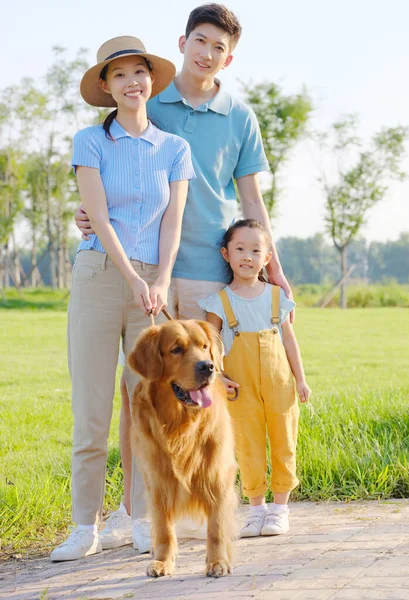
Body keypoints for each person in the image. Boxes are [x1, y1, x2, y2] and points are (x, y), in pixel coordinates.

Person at [75, 4, 293, 548]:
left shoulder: (239, 116)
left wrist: (274, 264)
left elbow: (250, 197)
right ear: (182, 42)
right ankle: (136, 513)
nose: (207, 53)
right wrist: (81, 216)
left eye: (219, 47)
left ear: (230, 57)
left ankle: (229, 499)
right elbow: (113, 177)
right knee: (143, 395)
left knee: (216, 390)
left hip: (205, 270)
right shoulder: (153, 104)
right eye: (200, 41)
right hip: (143, 270)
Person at [51, 36, 195, 562]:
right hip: (99, 274)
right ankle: (82, 526)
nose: (133, 82)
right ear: (107, 87)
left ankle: (141, 516)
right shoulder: (89, 141)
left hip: (153, 286)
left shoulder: (175, 149)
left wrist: (158, 280)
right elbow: (99, 213)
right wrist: (132, 276)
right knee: (91, 407)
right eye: (120, 75)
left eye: (141, 72)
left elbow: (173, 222)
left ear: (152, 81)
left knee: (149, 406)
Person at [199, 219, 312, 537]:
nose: (247, 256)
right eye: (239, 249)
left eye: (255, 250)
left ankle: (280, 509)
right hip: (239, 387)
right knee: (247, 444)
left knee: (283, 440)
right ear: (226, 254)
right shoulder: (219, 302)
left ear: (267, 257)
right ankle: (256, 510)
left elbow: (289, 340)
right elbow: (210, 345)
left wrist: (301, 380)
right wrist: (218, 377)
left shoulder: (276, 296)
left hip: (280, 384)